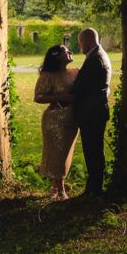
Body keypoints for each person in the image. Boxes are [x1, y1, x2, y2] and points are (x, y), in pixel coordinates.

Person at [33, 44, 79, 200]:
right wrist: (60, 97)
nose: (70, 51)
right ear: (57, 56)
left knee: (65, 154)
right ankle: (61, 190)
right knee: (56, 154)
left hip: (72, 120)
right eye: (66, 51)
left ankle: (55, 186)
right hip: (54, 121)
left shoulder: (75, 73)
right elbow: (38, 97)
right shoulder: (48, 76)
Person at [70, 27, 111, 197]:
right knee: (95, 150)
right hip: (96, 110)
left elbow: (80, 87)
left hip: (91, 112)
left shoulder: (95, 59)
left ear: (87, 41)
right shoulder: (100, 55)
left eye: (80, 43)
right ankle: (94, 187)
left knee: (92, 151)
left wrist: (67, 89)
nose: (80, 46)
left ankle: (94, 189)